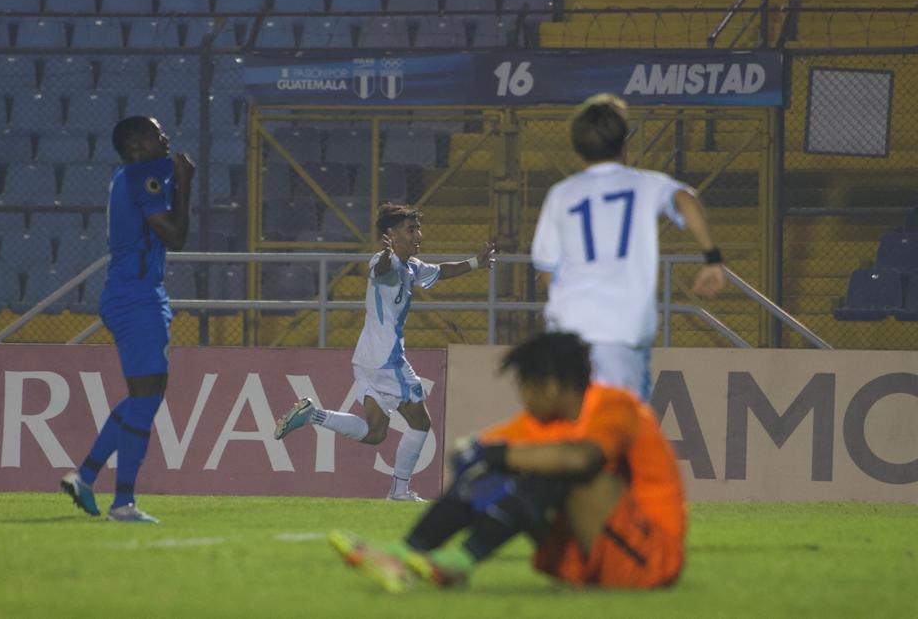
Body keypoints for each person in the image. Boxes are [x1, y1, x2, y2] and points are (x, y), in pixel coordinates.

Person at [328, 332, 686, 592]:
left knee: (552, 466)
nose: (522, 395)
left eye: (525, 385)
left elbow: (581, 458)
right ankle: (406, 552)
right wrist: (477, 458)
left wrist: (498, 456)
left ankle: (461, 560)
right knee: (507, 466)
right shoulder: (545, 423)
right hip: (585, 561)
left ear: (549, 386)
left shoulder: (615, 407)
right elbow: (477, 450)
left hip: (648, 560)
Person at [274, 202, 496, 501]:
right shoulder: (384, 261)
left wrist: (474, 263)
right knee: (421, 422)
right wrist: (388, 254)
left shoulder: (412, 267)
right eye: (411, 229)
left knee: (376, 432)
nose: (418, 234)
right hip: (387, 358)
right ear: (391, 234)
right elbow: (381, 271)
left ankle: (313, 415)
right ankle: (399, 491)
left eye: (418, 228)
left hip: (367, 357)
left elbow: (440, 271)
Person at [531, 93, 725, 401]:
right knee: (620, 434)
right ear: (624, 142)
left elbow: (545, 269)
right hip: (621, 333)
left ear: (577, 149)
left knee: (575, 433)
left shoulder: (561, 195)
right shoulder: (646, 184)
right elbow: (686, 200)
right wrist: (712, 258)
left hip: (568, 334)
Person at [60, 116, 195, 524]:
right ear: (139, 143)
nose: (166, 136)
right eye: (157, 132)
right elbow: (175, 236)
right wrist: (185, 183)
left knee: (144, 396)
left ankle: (85, 477)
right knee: (147, 398)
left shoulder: (132, 175)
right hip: (136, 297)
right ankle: (123, 503)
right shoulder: (141, 177)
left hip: (137, 293)